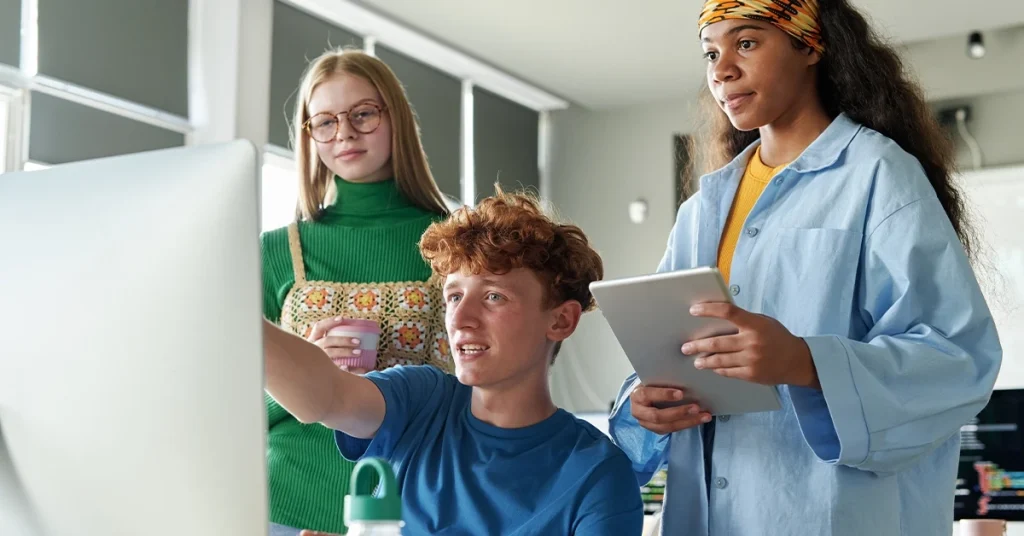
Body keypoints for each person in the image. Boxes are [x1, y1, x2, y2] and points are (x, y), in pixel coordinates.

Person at [608, 1, 1003, 535]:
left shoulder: (880, 177)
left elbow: (959, 360)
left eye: (746, 43)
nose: (722, 69)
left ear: (810, 45)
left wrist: (804, 361)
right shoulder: (704, 208)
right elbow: (664, 349)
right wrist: (645, 402)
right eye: (710, 52)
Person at [263, 190, 645, 535]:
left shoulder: (598, 476)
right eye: (454, 296)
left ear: (561, 320)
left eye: (494, 297)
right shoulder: (421, 402)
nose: (461, 320)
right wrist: (236, 313)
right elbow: (325, 397)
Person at [261, 48, 454, 534]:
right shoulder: (276, 251)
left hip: (411, 500)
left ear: (396, 118)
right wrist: (301, 368)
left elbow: (482, 383)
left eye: (362, 114)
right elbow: (222, 395)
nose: (343, 132)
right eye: (323, 121)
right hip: (283, 501)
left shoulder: (456, 241)